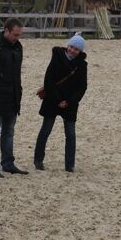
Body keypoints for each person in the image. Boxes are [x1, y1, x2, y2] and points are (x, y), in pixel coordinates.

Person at [33, 33, 88, 172]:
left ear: (80, 51)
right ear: (67, 46)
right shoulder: (56, 57)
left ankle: (70, 165)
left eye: (76, 49)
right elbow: (49, 80)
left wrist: (69, 102)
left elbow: (82, 87)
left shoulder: (82, 65)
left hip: (70, 104)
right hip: (52, 100)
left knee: (70, 134)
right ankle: (38, 160)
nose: (72, 50)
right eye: (71, 46)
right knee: (45, 130)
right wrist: (58, 100)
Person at [0, 17, 28, 177]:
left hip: (14, 95)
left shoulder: (18, 47)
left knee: (9, 131)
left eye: (19, 35)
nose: (17, 38)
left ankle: (8, 163)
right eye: (15, 34)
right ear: (6, 30)